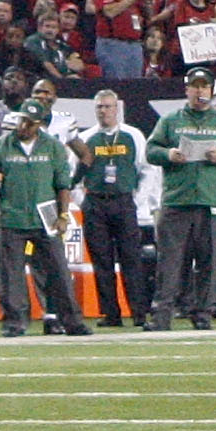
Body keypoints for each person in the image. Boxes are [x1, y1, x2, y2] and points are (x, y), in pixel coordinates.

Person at [145, 67, 216, 329]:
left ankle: (203, 314)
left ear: (212, 90)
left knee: (209, 261)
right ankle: (162, 315)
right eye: (195, 86)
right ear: (186, 89)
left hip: (210, 200)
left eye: (205, 86)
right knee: (170, 262)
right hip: (177, 200)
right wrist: (169, 155)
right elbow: (151, 150)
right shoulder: (171, 120)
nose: (200, 91)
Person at [0, 103, 84, 336]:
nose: (23, 126)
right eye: (22, 120)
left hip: (47, 216)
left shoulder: (53, 147)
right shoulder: (0, 146)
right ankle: (15, 322)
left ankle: (71, 320)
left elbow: (62, 185)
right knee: (12, 275)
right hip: (12, 216)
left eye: (29, 122)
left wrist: (63, 216)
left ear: (40, 124)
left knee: (60, 271)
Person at [72, 90, 148, 325]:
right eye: (99, 107)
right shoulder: (86, 138)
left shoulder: (133, 136)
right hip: (95, 203)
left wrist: (139, 200)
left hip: (124, 201)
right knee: (101, 261)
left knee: (131, 259)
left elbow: (146, 169)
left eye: (108, 106)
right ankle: (111, 313)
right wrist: (81, 200)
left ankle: (138, 313)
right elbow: (73, 175)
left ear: (117, 109)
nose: (103, 111)